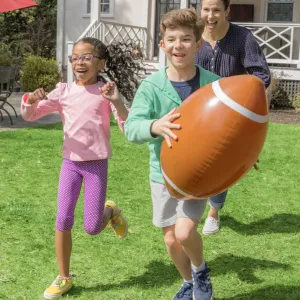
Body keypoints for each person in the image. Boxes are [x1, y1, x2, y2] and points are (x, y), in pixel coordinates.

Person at [21, 37, 143, 299]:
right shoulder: (63, 91)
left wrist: (118, 101)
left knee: (91, 227)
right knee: (63, 218)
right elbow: (30, 115)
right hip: (70, 164)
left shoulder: (105, 91)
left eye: (86, 57)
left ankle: (110, 211)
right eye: (75, 57)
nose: (79, 62)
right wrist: (31, 98)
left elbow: (127, 125)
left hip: (96, 164)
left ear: (101, 63)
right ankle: (64, 276)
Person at [125, 8, 219, 300]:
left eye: (187, 39)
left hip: (200, 175)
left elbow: (232, 127)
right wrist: (154, 125)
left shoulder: (214, 84)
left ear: (198, 44)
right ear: (162, 44)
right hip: (162, 175)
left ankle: (201, 273)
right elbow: (131, 128)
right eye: (172, 39)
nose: (179, 45)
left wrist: (243, 154)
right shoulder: (151, 87)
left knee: (183, 233)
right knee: (170, 240)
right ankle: (189, 281)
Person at [194, 0, 271, 236]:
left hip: (230, 115)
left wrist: (238, 95)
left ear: (227, 11)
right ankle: (193, 203)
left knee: (221, 163)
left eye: (216, 9)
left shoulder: (242, 38)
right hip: (197, 110)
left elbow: (261, 74)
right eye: (206, 9)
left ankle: (213, 212)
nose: (210, 15)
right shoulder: (194, 37)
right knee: (197, 159)